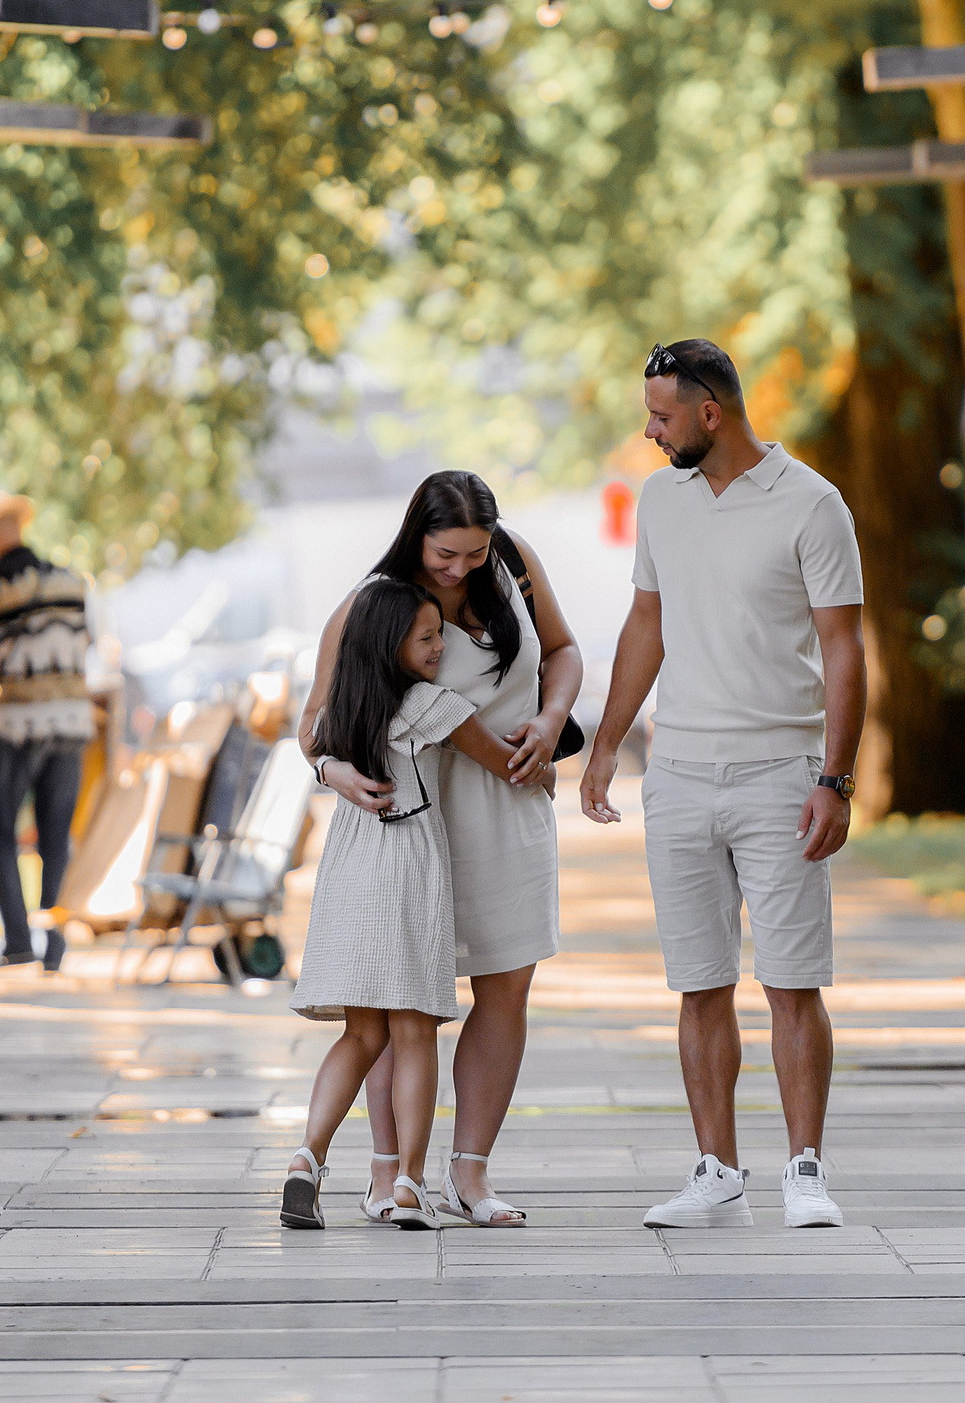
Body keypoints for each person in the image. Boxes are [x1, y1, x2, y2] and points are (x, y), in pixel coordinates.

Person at [581, 340, 866, 1230]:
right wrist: (606, 744)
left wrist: (836, 778)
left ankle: (805, 1171)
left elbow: (844, 646)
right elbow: (646, 622)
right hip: (679, 774)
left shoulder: (813, 504)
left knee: (792, 980)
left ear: (712, 413)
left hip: (782, 772)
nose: (650, 430)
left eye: (662, 415)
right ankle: (716, 1169)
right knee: (699, 981)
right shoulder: (661, 500)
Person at [300, 473, 583, 1227]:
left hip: (509, 817)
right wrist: (333, 772)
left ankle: (470, 1174)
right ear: (415, 536)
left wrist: (552, 719)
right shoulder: (374, 604)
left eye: (473, 553)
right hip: (409, 823)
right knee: (398, 997)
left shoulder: (513, 563)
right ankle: (390, 1174)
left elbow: (562, 651)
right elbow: (314, 725)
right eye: (444, 554)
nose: (460, 569)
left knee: (506, 988)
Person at [0, 490, 96, 972]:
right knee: (56, 838)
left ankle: (16, 942)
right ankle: (54, 945)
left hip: (14, 729)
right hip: (71, 724)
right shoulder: (70, 581)